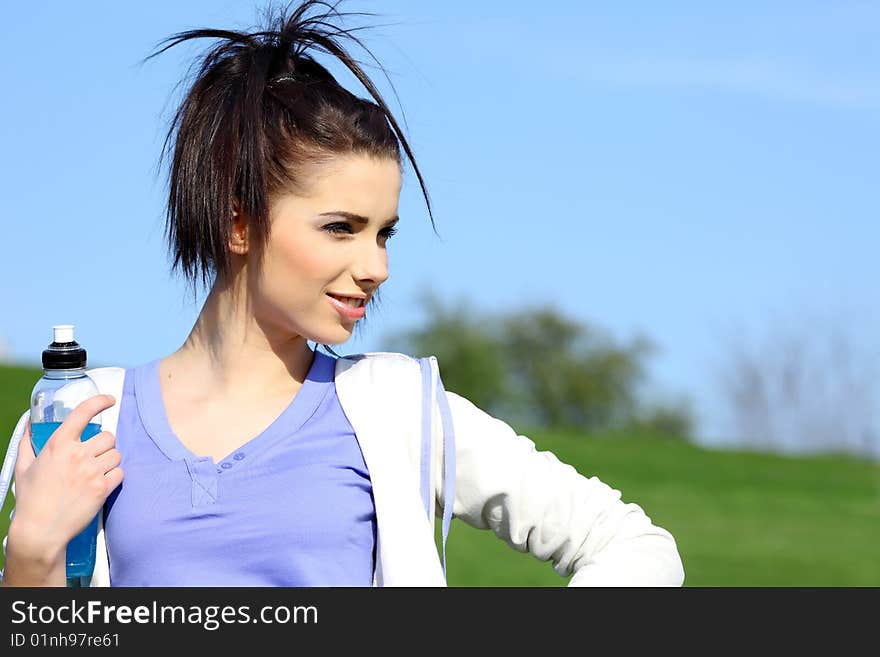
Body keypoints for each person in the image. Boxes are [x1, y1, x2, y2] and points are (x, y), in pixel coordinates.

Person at [0, 0, 684, 587]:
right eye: (342, 229)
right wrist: (31, 556)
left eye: (383, 233)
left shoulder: (394, 408)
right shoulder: (83, 418)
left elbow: (633, 546)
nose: (376, 265)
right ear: (238, 220)